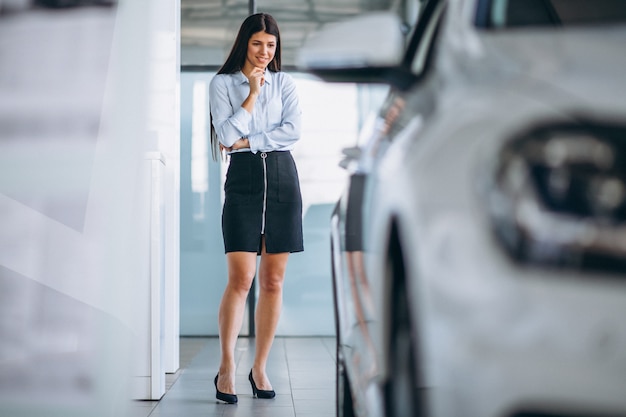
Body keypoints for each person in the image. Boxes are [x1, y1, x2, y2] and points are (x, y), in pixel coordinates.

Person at [208, 12, 303, 404]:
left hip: (282, 178)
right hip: (244, 181)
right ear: (244, 44)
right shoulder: (222, 84)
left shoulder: (286, 83)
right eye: (257, 44)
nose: (265, 52)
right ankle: (227, 366)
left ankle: (259, 366)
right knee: (241, 278)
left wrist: (250, 140)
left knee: (273, 281)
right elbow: (225, 136)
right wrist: (250, 94)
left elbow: (293, 131)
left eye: (271, 45)